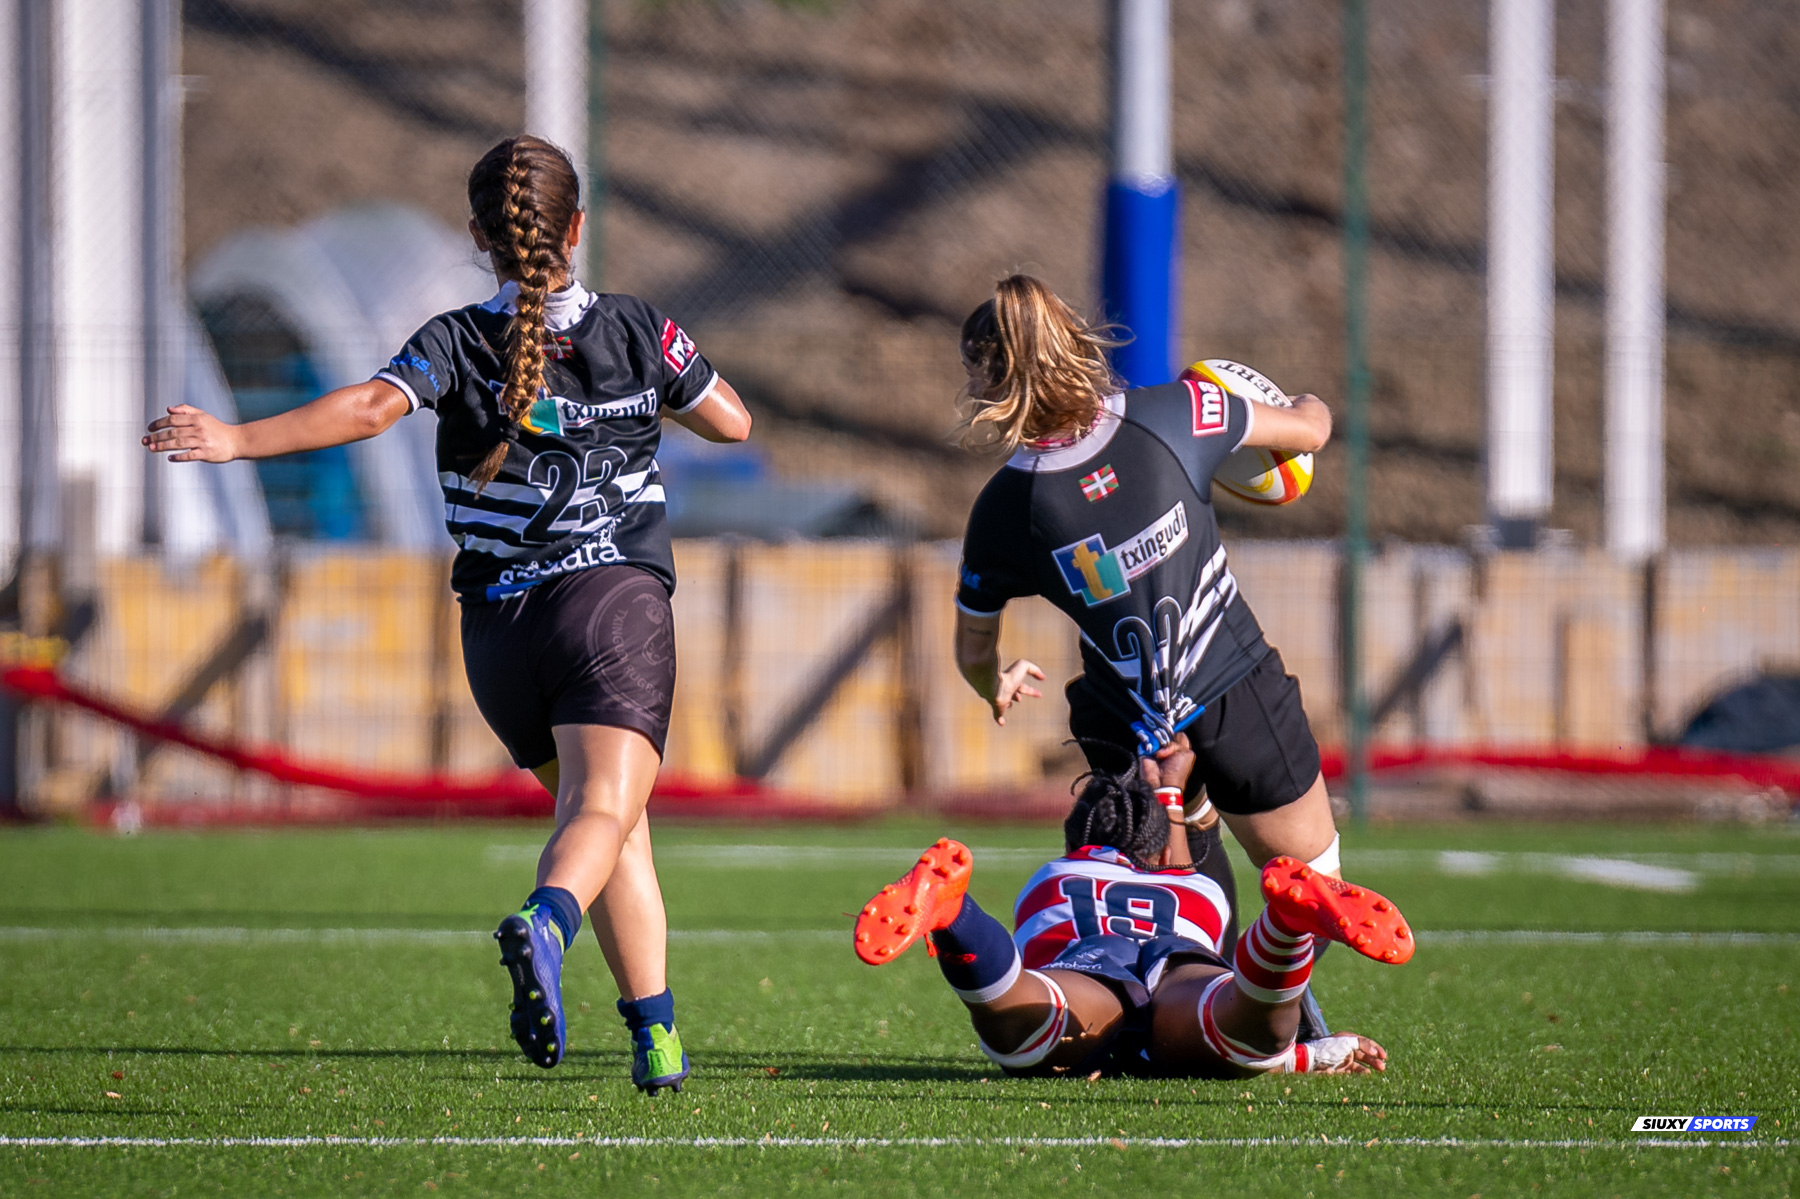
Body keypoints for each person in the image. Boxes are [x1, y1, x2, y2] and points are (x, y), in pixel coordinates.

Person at [142, 135, 751, 1095]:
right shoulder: (639, 328)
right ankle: (545, 925)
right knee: (603, 812)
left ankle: (657, 1038)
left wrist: (235, 437)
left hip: (500, 634)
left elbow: (366, 411)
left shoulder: (455, 339)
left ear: (480, 236)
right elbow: (733, 421)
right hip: (611, 606)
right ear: (578, 229)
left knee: (611, 825)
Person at [950, 276, 1339, 969]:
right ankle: (1283, 1016)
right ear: (1075, 339)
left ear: (989, 387)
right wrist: (1304, 403)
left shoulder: (1003, 511)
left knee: (1167, 905)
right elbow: (1310, 429)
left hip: (1128, 724)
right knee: (1316, 892)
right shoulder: (1179, 412)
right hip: (1237, 687)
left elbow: (974, 645)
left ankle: (1198, 845)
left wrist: (994, 683)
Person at [853, 734, 1410, 1078]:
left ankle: (956, 916)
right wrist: (1170, 790)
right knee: (1244, 1031)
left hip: (1089, 967)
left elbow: (1039, 953)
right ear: (1158, 851)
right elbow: (1178, 859)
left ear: (1078, 839)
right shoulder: (1195, 888)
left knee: (1026, 1025)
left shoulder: (1052, 877)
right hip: (1180, 963)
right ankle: (1284, 927)